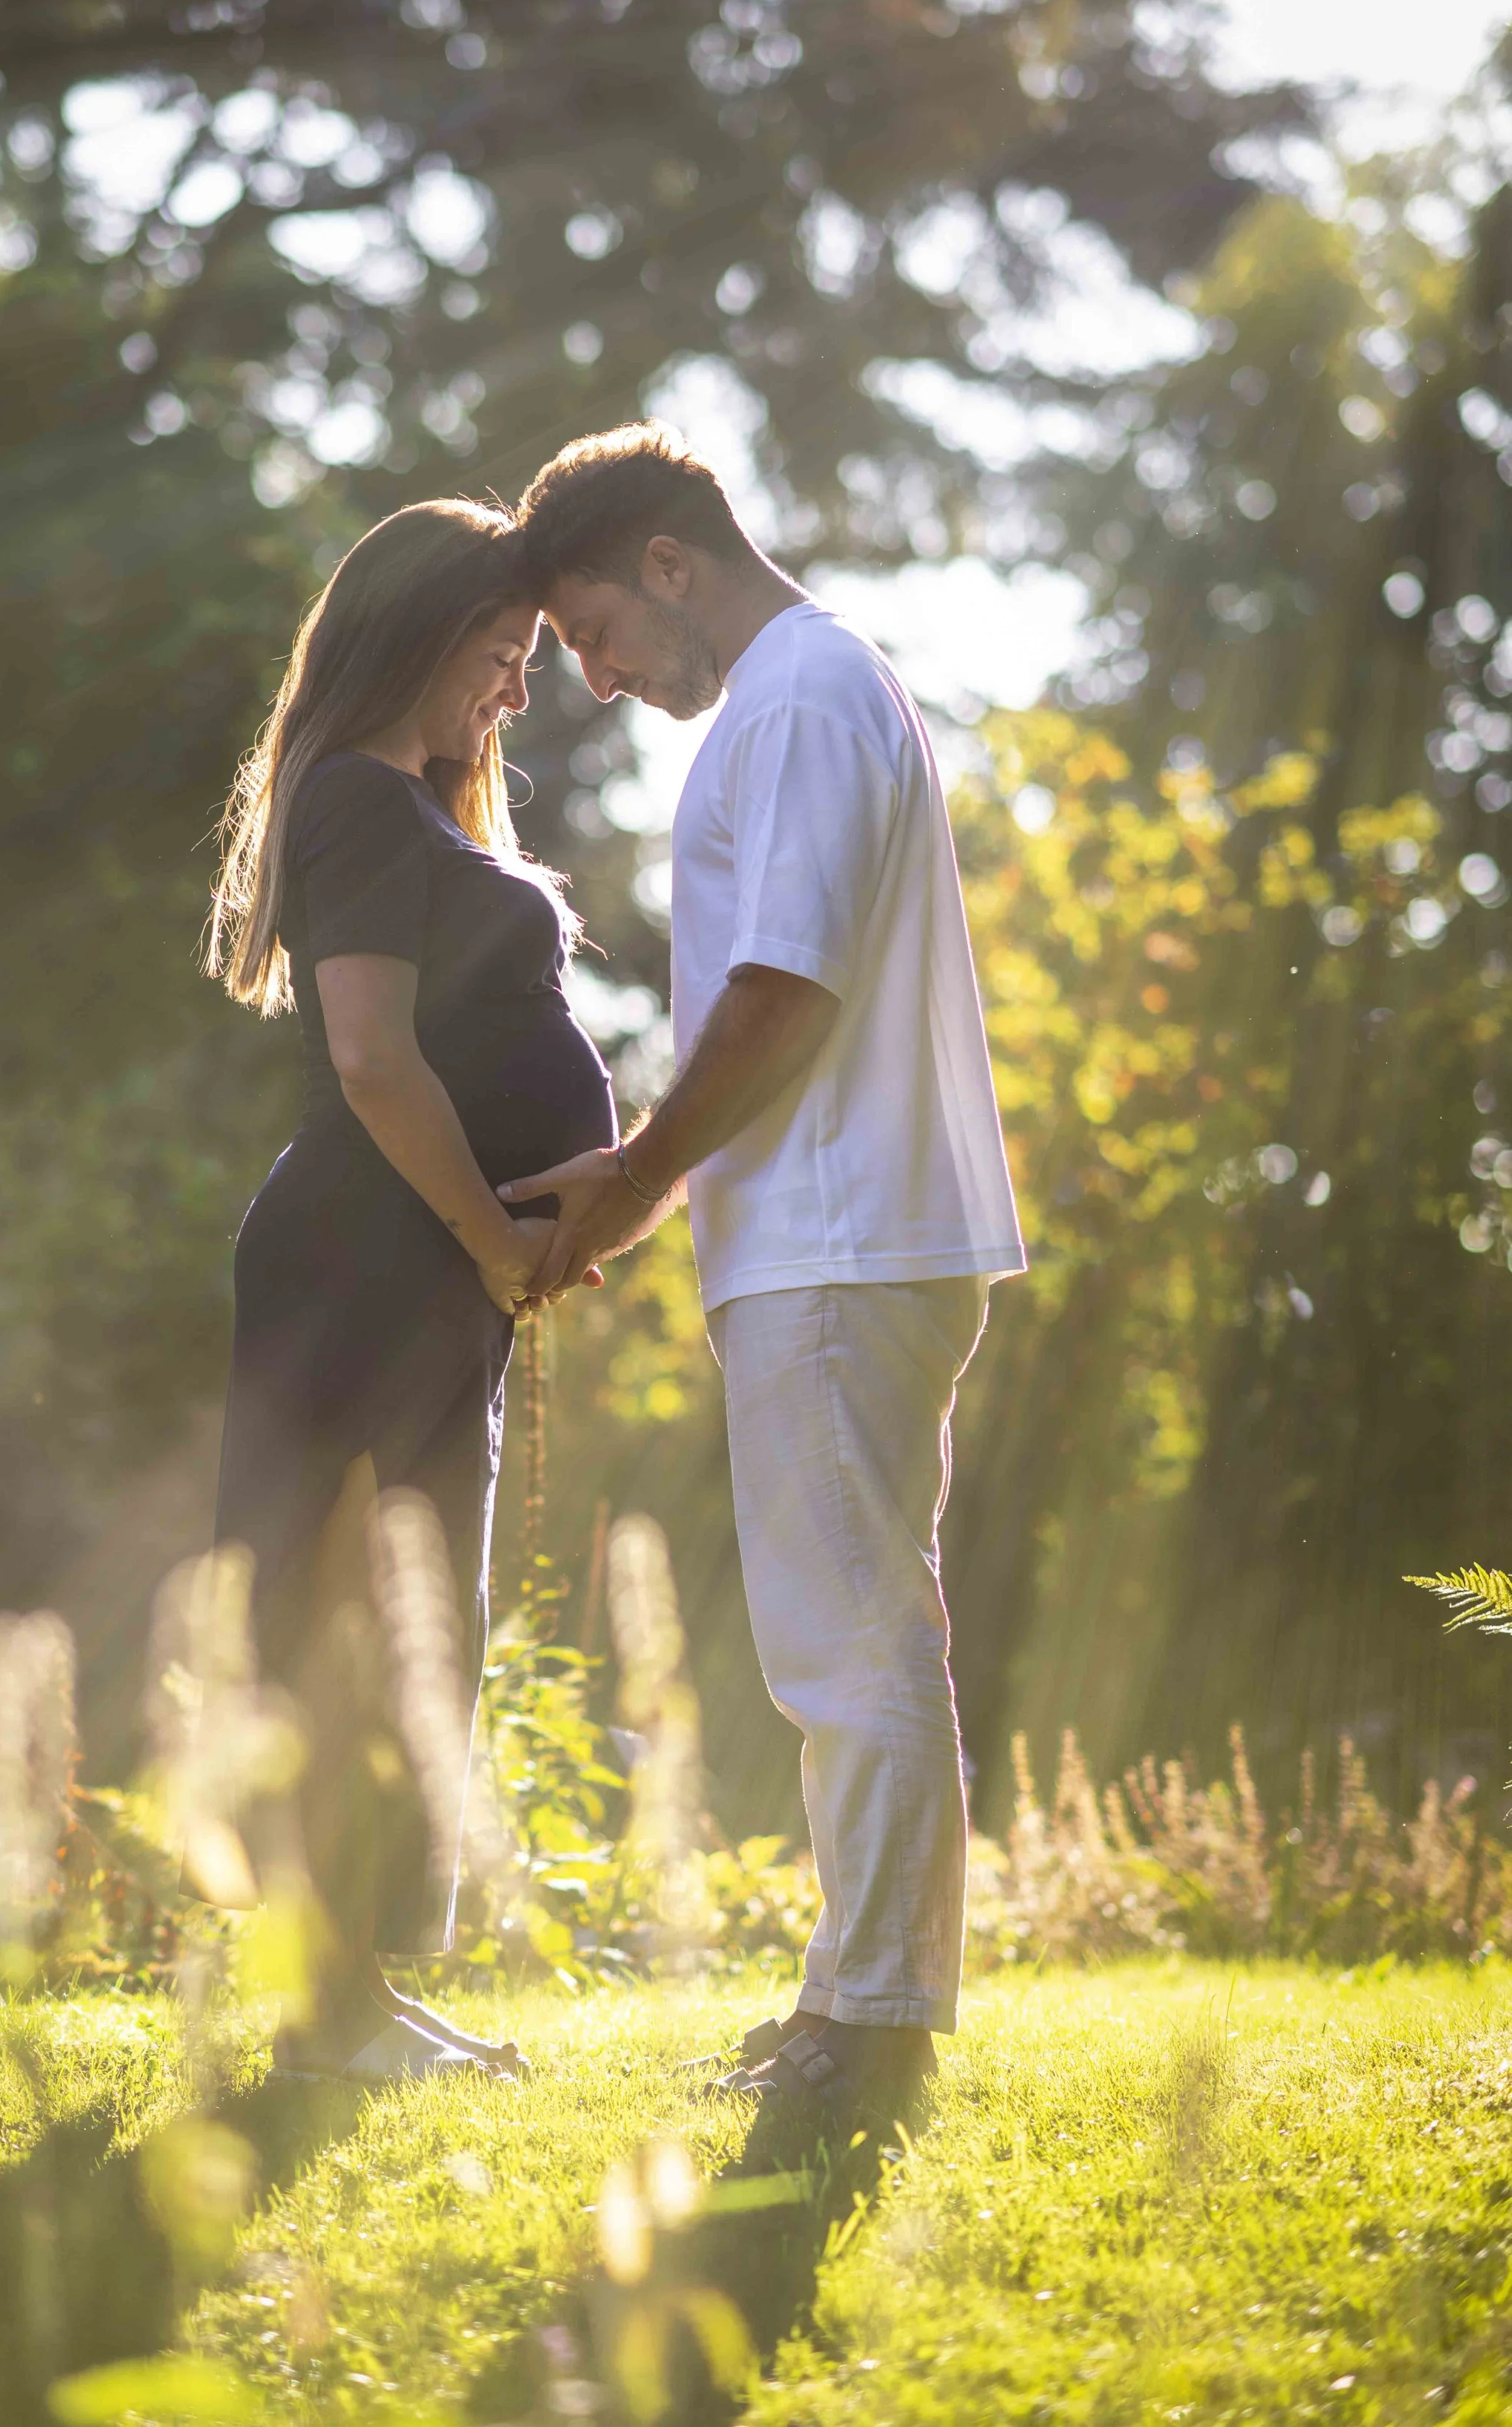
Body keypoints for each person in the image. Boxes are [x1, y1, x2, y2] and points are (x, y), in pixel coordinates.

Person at [503, 425, 1027, 2135]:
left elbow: (781, 990)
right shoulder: (817, 691)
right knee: (861, 1626)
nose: (593, 678)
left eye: (592, 633)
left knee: (847, 1638)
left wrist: (634, 1185)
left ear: (666, 563)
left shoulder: (793, 698)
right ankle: (863, 1999)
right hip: (847, 1235)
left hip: (833, 1238)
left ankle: (869, 2024)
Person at [204, 499, 616, 2081]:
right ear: (420, 634)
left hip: (430, 1272)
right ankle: (326, 2011)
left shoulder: (413, 810)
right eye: (502, 657)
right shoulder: (365, 812)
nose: (516, 695)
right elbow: (373, 1060)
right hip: (373, 1260)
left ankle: (364, 1990)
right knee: (348, 1621)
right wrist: (498, 1241)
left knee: (419, 1613)